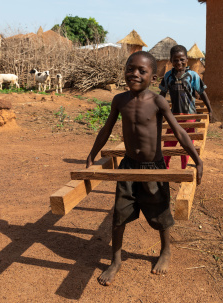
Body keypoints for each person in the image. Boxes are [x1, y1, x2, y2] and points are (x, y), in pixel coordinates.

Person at [85, 51, 203, 286]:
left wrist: (197, 159)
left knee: (160, 212)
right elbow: (107, 129)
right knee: (119, 214)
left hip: (153, 167)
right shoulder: (119, 100)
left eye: (142, 71)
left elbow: (178, 131)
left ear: (153, 76)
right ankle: (116, 260)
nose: (135, 74)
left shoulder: (158, 101)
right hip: (128, 166)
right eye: (131, 69)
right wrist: (92, 153)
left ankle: (165, 251)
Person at [159, 45, 212, 169]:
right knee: (168, 143)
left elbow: (202, 93)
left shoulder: (192, 76)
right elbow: (161, 95)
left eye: (182, 59)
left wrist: (210, 109)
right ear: (171, 60)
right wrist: (157, 111)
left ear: (187, 59)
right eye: (175, 60)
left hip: (190, 116)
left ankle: (185, 169)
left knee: (187, 145)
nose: (179, 62)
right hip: (173, 116)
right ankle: (165, 169)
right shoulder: (168, 76)